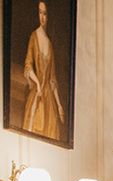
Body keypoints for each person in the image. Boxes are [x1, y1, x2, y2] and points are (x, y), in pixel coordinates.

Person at [21, 2, 65, 141]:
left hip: (48, 97)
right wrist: (38, 85)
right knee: (32, 128)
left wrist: (59, 106)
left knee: (51, 131)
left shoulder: (50, 44)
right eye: (40, 12)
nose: (42, 17)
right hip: (38, 92)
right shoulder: (34, 37)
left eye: (45, 13)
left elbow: (52, 79)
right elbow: (28, 65)